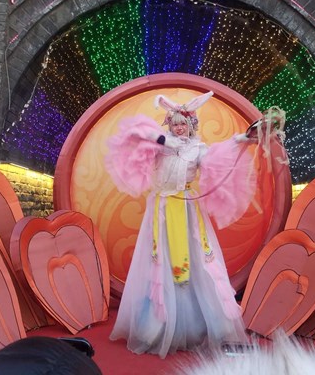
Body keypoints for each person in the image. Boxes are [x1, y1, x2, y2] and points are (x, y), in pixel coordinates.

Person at [105, 91, 265, 358]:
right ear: (170, 125)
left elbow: (219, 157)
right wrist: (160, 139)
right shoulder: (161, 143)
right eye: (176, 123)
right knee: (161, 259)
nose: (180, 128)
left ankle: (201, 323)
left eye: (184, 123)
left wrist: (242, 139)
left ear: (191, 125)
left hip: (188, 210)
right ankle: (155, 326)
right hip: (161, 210)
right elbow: (139, 137)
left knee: (195, 259)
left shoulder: (198, 149)